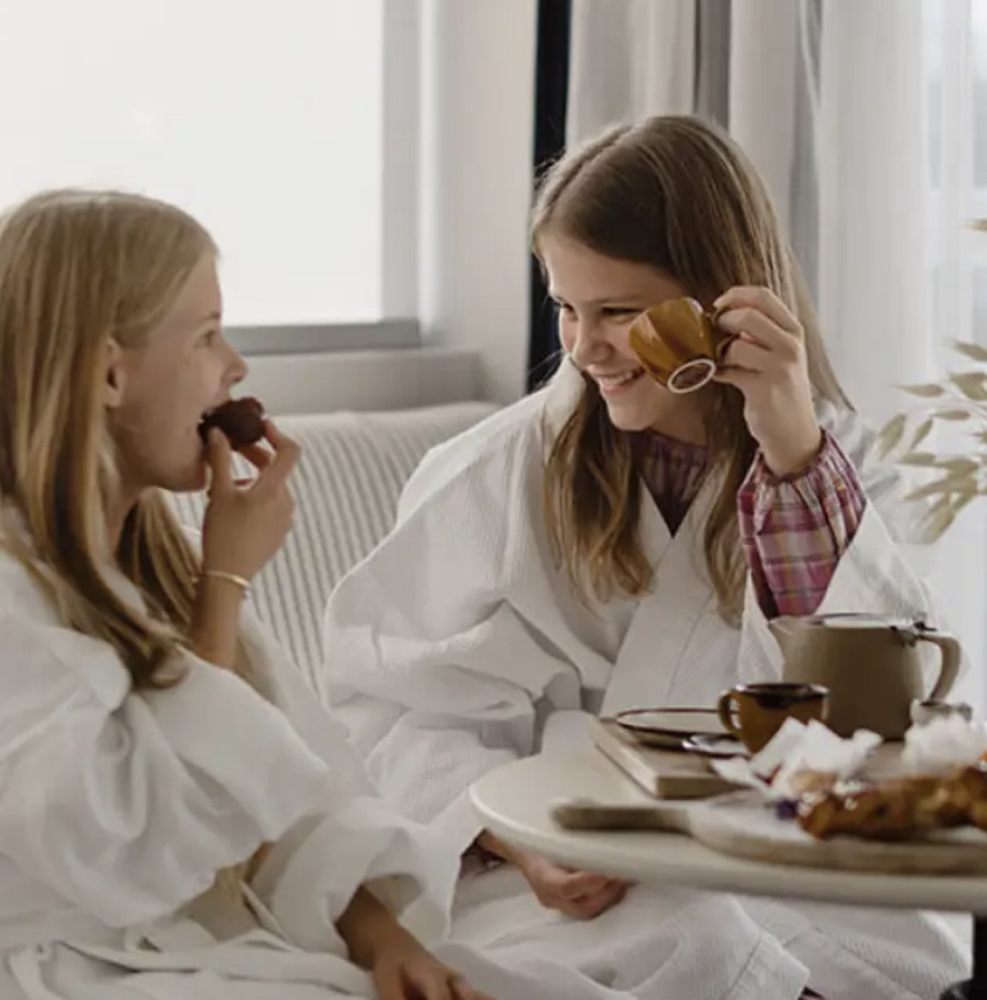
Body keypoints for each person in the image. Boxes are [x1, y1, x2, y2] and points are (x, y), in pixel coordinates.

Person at [323, 116, 968, 1000]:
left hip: (791, 859)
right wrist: (527, 843)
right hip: (563, 870)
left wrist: (791, 453)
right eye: (566, 307)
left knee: (858, 955)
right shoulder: (499, 471)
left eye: (619, 312)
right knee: (689, 936)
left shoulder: (836, 465)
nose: (584, 347)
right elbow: (399, 710)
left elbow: (874, 704)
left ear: (723, 297)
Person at [0, 189, 642, 1000]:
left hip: (188, 951)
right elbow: (143, 841)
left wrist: (389, 942)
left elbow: (293, 799)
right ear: (111, 372)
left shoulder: (156, 559)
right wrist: (223, 587)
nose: (234, 368)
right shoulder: (3, 592)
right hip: (63, 968)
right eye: (205, 336)